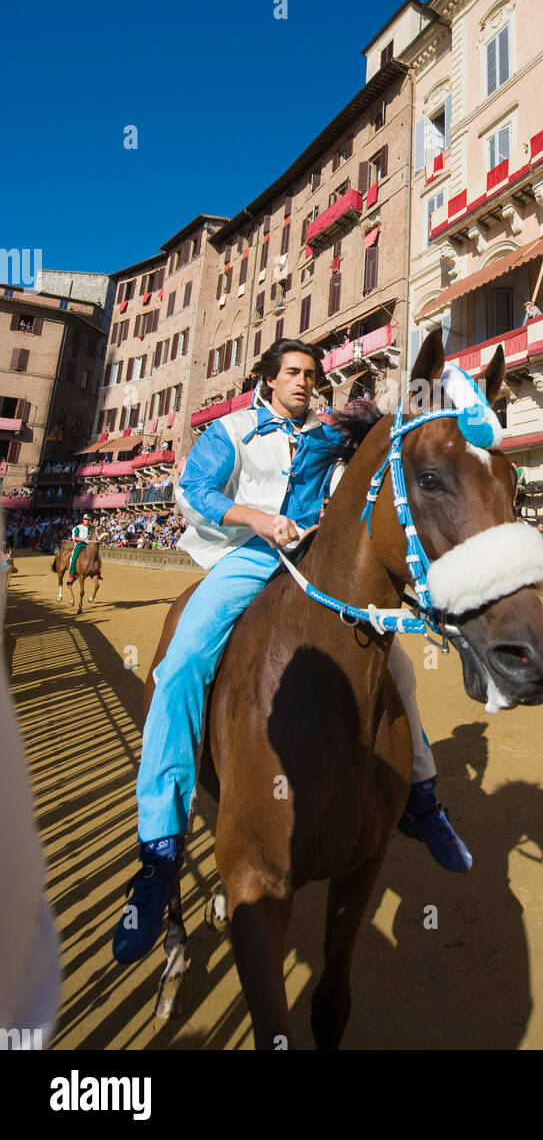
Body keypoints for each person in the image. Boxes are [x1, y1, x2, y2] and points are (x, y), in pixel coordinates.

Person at [112, 339, 472, 967]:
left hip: (315, 563)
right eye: (295, 374)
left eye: (312, 374)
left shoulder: (328, 431)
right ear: (268, 378)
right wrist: (253, 517)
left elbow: (380, 455)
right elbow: (191, 492)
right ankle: (160, 854)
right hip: (248, 560)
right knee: (180, 667)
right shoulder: (232, 430)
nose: (306, 383)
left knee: (400, 669)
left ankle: (421, 800)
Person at [66, 514, 92, 588]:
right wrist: (82, 539)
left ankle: (98, 571)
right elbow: (75, 538)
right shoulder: (78, 527)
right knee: (73, 558)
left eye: (89, 519)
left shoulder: (91, 528)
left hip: (89, 544)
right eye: (86, 519)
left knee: (96, 555)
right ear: (83, 519)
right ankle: (71, 575)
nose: (88, 521)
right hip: (80, 544)